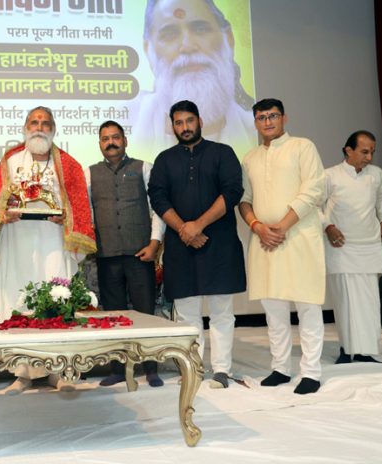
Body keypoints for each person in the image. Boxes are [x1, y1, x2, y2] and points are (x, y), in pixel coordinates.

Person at [0, 106, 96, 394]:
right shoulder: (10, 161)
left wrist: (66, 218)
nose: (39, 127)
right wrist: (2, 213)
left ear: (54, 129)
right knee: (19, 299)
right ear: (25, 127)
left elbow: (80, 207)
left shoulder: (69, 166)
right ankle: (22, 373)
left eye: (46, 123)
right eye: (34, 122)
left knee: (57, 299)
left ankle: (58, 371)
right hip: (19, 241)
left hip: (53, 242)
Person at [148, 100, 245, 389]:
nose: (185, 127)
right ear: (172, 126)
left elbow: (232, 192)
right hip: (181, 245)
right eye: (178, 123)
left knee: (221, 311)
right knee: (187, 313)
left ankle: (222, 370)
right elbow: (158, 197)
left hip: (219, 244)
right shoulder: (164, 160)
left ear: (200, 121)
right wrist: (183, 229)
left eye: (189, 121)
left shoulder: (222, 153)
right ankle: (193, 367)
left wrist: (198, 225)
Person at [239, 98, 326, 395]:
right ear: (255, 122)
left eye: (273, 115)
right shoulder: (250, 157)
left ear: (284, 118)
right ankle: (280, 368)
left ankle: (311, 372)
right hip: (265, 241)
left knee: (307, 306)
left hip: (299, 236)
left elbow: (314, 189)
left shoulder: (303, 147)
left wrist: (282, 225)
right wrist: (258, 227)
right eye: (261, 117)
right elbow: (245, 199)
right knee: (273, 308)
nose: (267, 121)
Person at [86, 120, 166, 388]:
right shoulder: (90, 174)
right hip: (107, 256)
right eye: (105, 138)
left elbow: (158, 210)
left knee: (146, 313)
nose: (111, 142)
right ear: (99, 144)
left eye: (116, 137)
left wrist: (155, 243)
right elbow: (87, 214)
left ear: (125, 140)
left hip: (139, 254)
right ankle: (118, 368)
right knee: (112, 316)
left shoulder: (144, 168)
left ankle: (151, 367)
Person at [132, 0, 256, 158]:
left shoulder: (256, 132)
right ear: (148, 49)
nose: (188, 45)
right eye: (169, 34)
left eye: (200, 29)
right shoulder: (128, 120)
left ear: (229, 38)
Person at [322, 130, 382, 364]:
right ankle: (347, 349)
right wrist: (328, 226)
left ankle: (365, 350)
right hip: (341, 246)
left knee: (369, 300)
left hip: (369, 244)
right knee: (345, 300)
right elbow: (316, 206)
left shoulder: (376, 174)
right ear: (348, 150)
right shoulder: (330, 175)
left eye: (372, 151)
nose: (369, 157)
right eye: (364, 151)